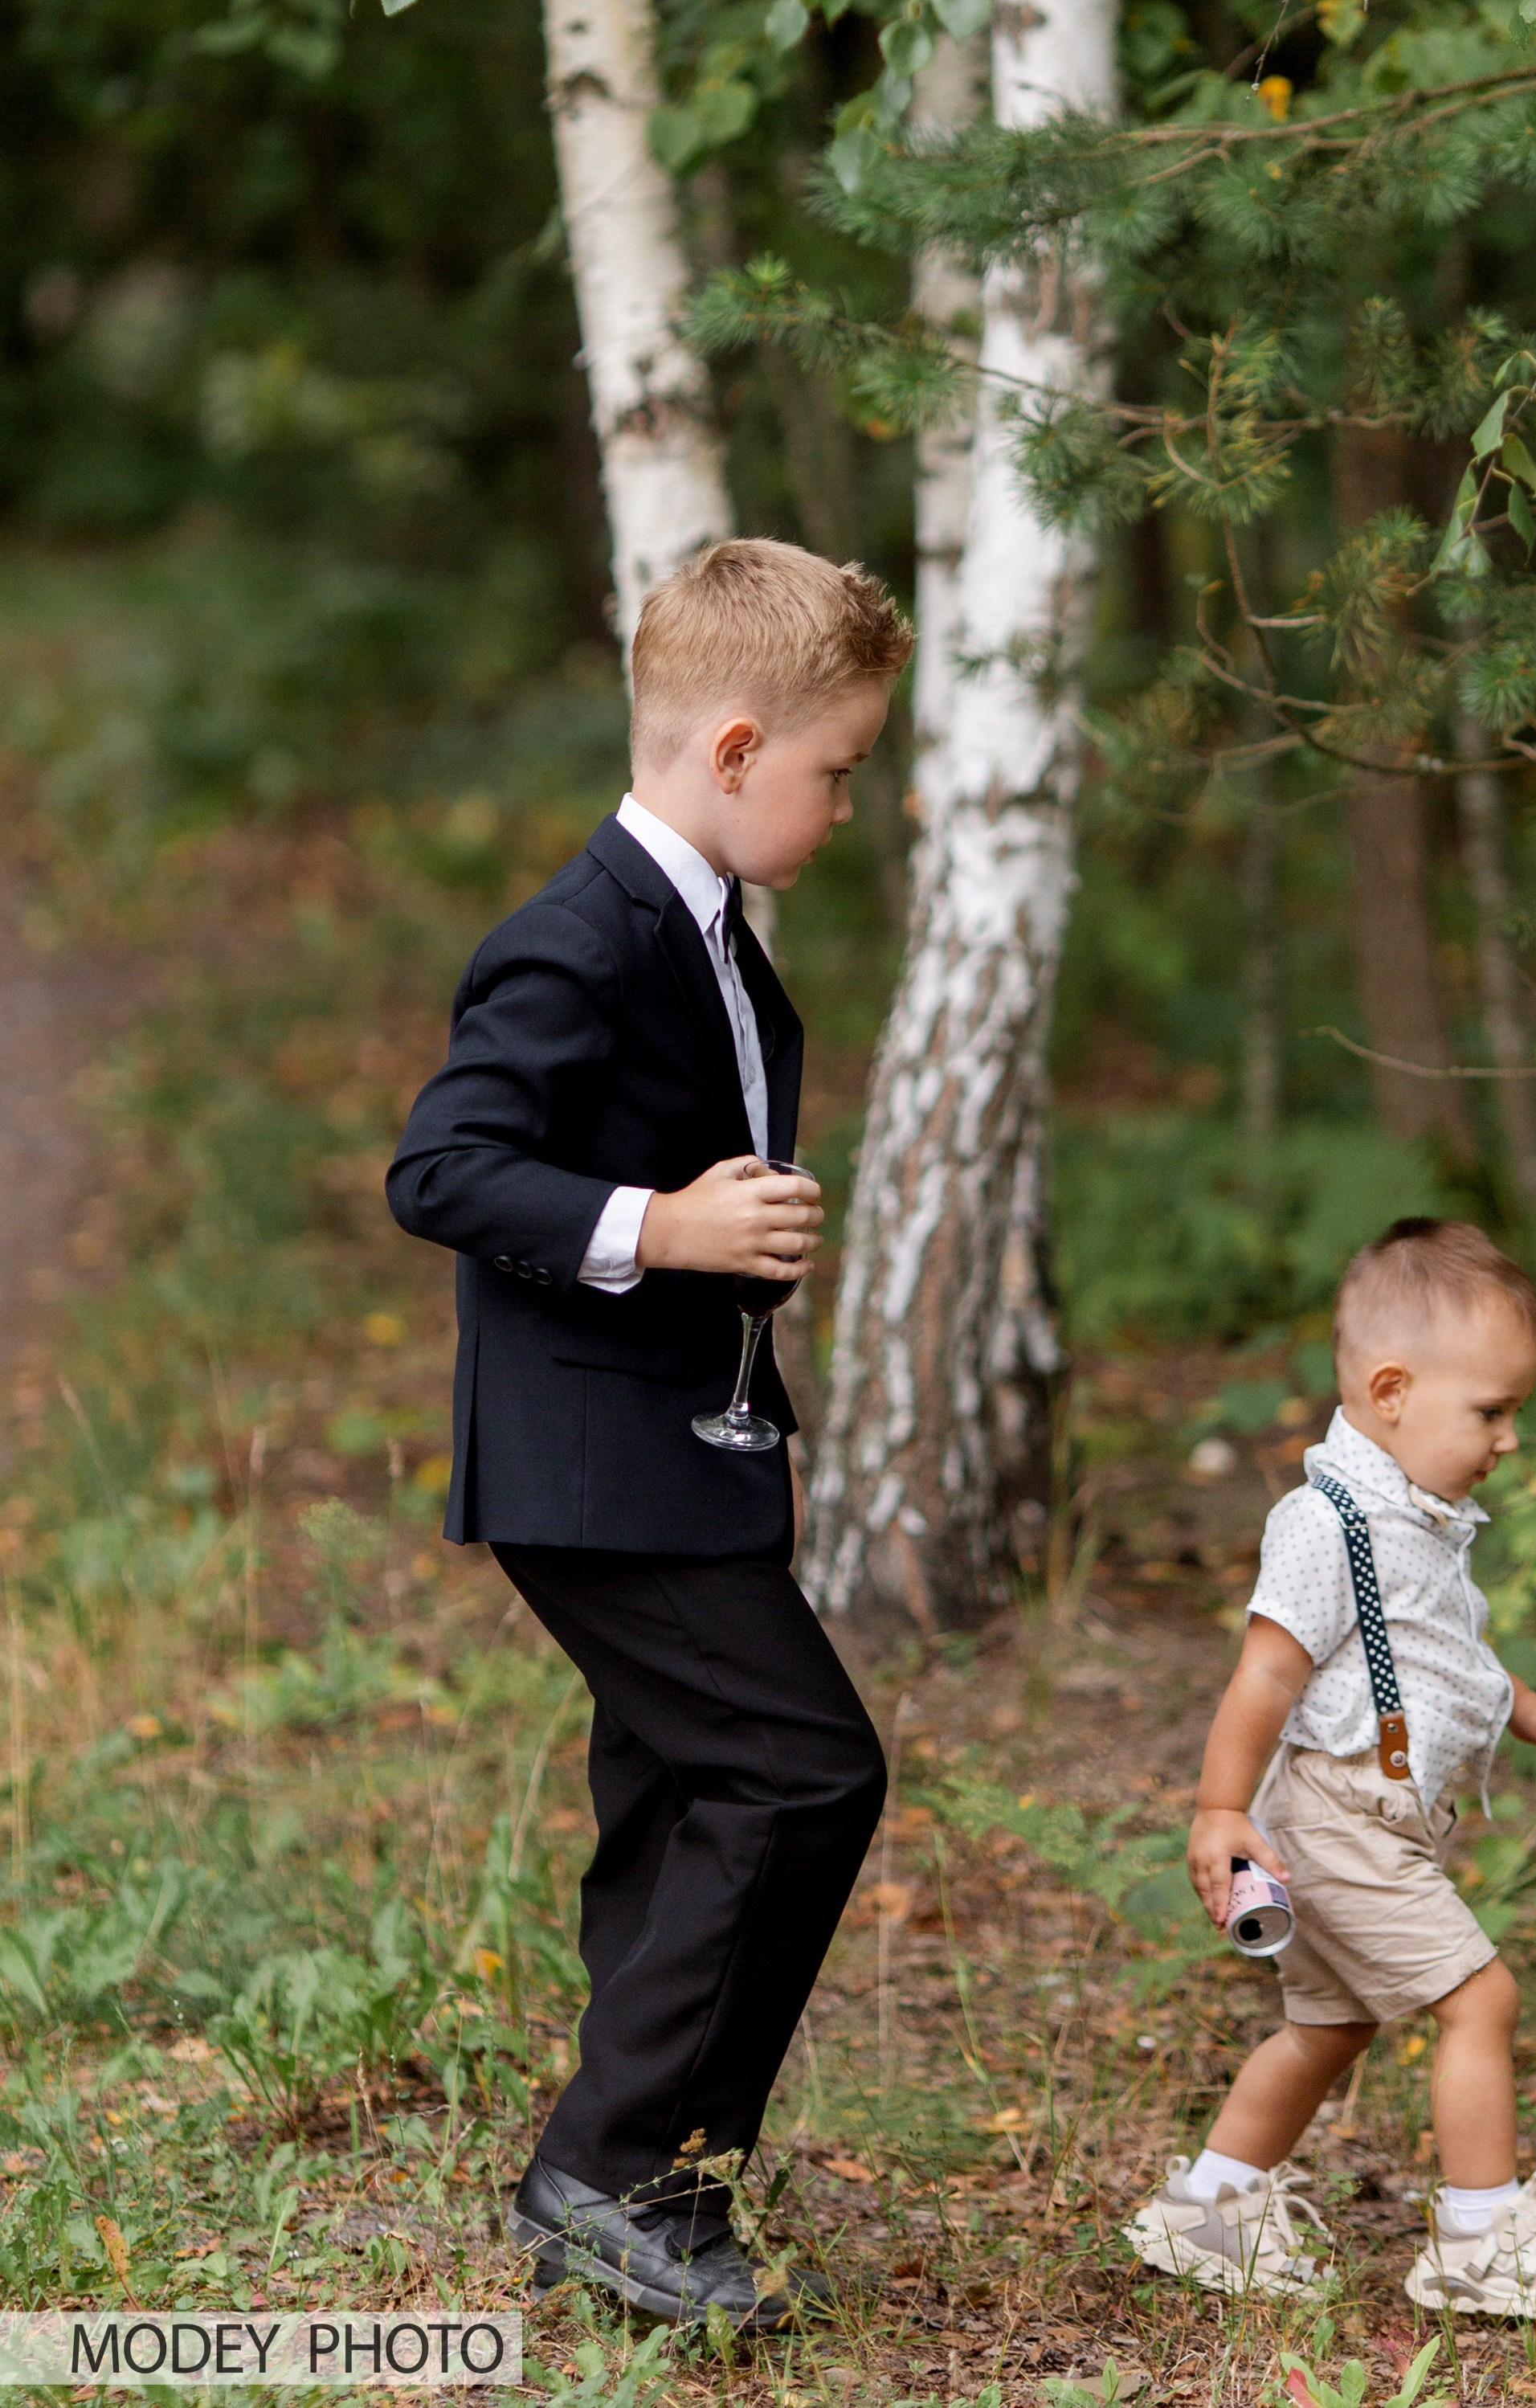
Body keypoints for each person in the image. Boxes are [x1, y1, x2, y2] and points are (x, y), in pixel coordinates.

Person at [387, 539, 911, 2334]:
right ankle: (608, 2172)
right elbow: (441, 1168)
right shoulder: (576, 934)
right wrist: (667, 1228)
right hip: (591, 1465)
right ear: (741, 746)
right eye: (840, 770)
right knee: (804, 1769)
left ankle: (655, 2191)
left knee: (681, 1795)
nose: (849, 806)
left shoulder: (708, 939)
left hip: (692, 1446)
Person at [1125, 1217, 1536, 2319]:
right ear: (1394, 1388)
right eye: (1491, 1410)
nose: (1508, 1439)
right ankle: (1480, 2233)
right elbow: (1264, 1676)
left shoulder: (1422, 1518)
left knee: (1330, 2026)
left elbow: (1435, 1654)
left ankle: (1211, 2203)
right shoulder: (1325, 1519)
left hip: (1380, 1815)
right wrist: (1220, 1807)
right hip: (1337, 1813)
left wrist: (1529, 1708)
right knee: (1481, 1998)